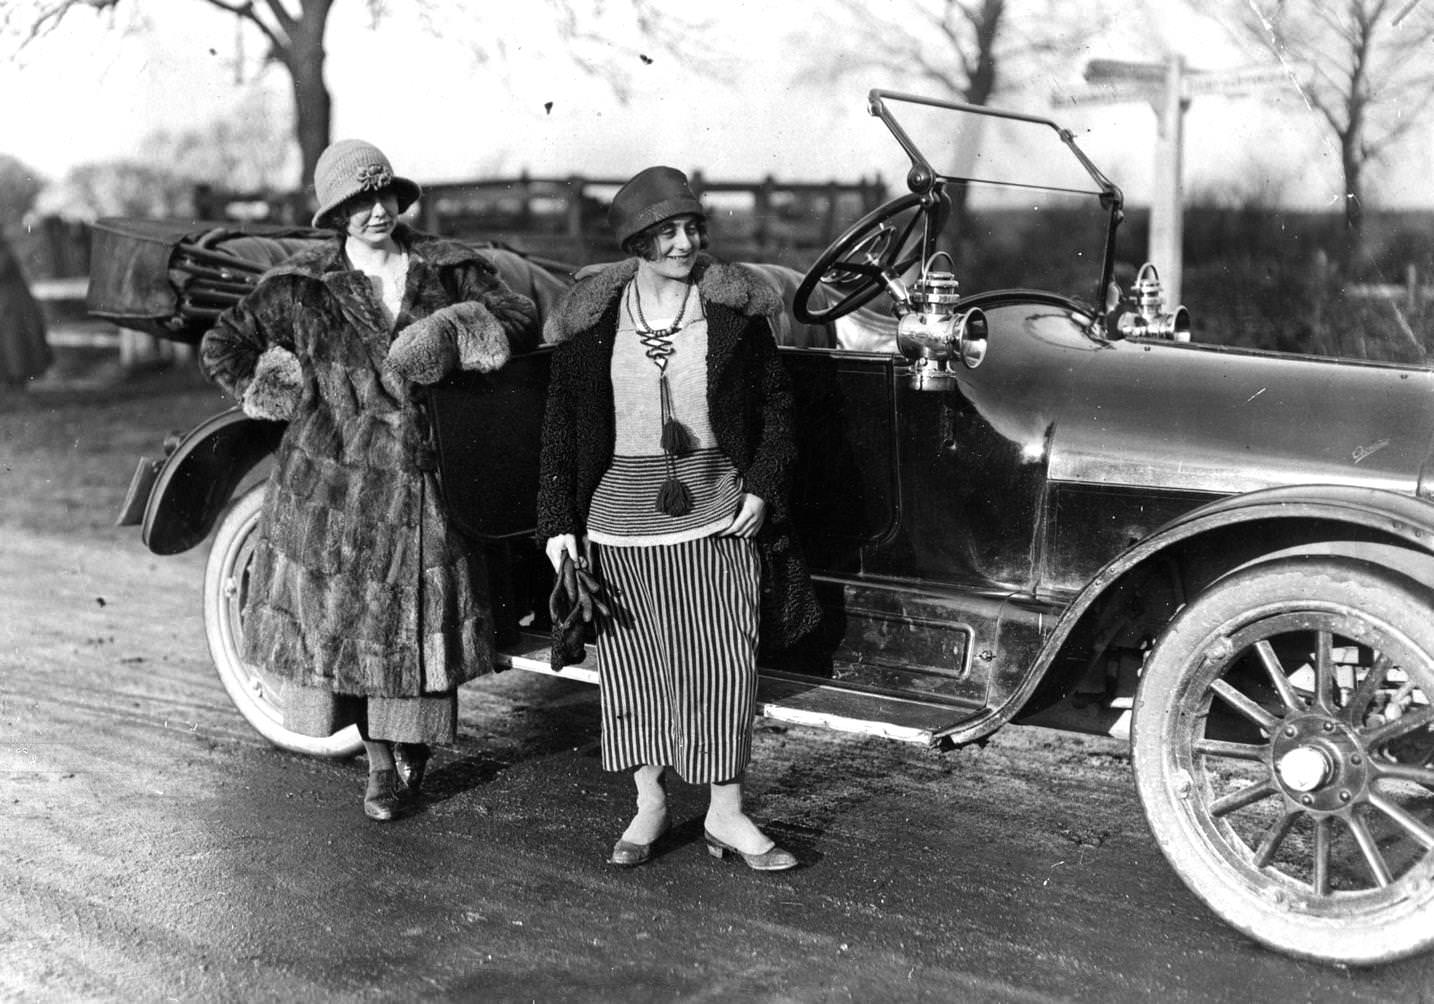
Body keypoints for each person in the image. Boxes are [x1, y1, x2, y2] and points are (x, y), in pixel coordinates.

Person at [200, 139, 540, 820]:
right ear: (335, 214)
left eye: (385, 194)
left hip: (425, 479)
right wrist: (280, 389)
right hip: (331, 488)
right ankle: (380, 764)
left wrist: (454, 331)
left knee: (417, 627)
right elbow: (224, 344)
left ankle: (410, 748)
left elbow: (519, 317)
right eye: (360, 201)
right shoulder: (300, 286)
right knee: (346, 632)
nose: (378, 210)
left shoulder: (449, 268)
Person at [537, 166, 821, 870]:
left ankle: (726, 813)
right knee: (637, 672)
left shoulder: (732, 315)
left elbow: (779, 410)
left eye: (692, 228)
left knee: (724, 666)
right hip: (617, 531)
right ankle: (651, 803)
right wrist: (558, 523)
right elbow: (561, 428)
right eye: (666, 232)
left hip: (718, 521)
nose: (683, 243)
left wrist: (762, 489)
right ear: (637, 242)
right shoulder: (591, 323)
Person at [0, 230, 53, 390]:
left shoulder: (4, 251)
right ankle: (10, 378)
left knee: (14, 342)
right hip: (7, 303)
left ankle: (17, 378)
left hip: (12, 304)